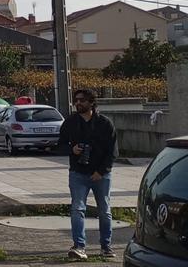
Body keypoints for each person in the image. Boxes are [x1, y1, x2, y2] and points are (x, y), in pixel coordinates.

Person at [57, 89, 117, 260]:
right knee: (77, 209)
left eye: (82, 100)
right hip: (78, 173)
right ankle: (79, 246)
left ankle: (106, 246)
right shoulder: (70, 122)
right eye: (76, 100)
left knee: (104, 211)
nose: (78, 103)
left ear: (91, 102)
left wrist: (102, 171)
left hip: (101, 175)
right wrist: (71, 149)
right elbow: (59, 145)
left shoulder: (105, 123)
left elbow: (112, 152)